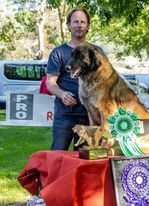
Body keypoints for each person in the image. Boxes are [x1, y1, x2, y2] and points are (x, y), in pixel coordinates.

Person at [46, 8, 104, 151]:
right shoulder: (58, 52)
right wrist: (62, 94)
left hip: (90, 117)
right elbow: (50, 83)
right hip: (65, 116)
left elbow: (106, 81)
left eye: (82, 22)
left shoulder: (97, 52)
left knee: (85, 162)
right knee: (57, 158)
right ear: (68, 25)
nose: (79, 25)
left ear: (88, 26)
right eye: (75, 21)